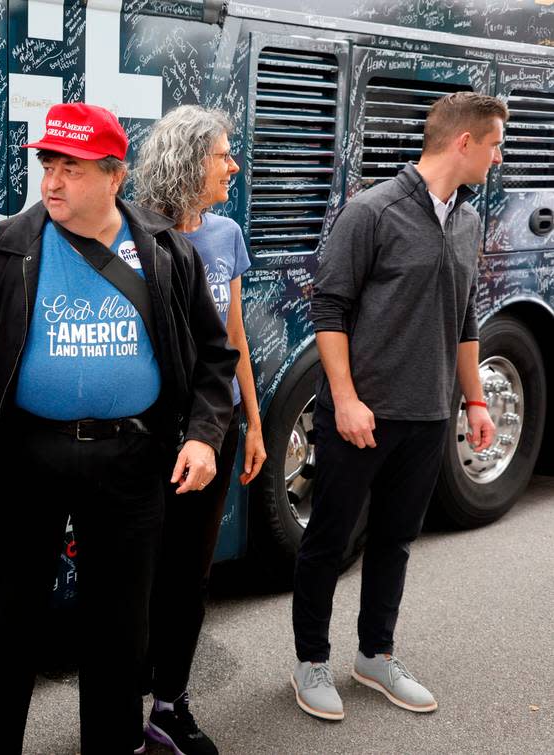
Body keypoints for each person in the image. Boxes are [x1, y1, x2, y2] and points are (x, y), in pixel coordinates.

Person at [0, 102, 237, 754]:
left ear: (114, 174)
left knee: (119, 631)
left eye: (71, 167)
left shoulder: (164, 249)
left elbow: (216, 356)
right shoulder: (5, 245)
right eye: (47, 164)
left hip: (130, 458)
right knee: (3, 626)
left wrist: (205, 434)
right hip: (25, 455)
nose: (52, 182)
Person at [291, 91, 504, 721]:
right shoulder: (372, 212)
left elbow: (466, 318)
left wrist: (474, 401)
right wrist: (346, 398)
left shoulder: (467, 220)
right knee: (329, 540)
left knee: (396, 540)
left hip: (429, 413)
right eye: (494, 143)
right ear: (463, 142)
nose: (498, 156)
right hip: (363, 414)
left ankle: (375, 656)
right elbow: (328, 308)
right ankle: (310, 663)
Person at [132, 104, 267, 754]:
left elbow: (233, 338)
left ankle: (170, 704)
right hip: (150, 435)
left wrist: (256, 422)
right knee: (138, 572)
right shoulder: (136, 237)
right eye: (222, 155)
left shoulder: (226, 234)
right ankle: (119, 702)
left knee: (191, 574)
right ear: (190, 162)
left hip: (215, 429)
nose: (233, 166)